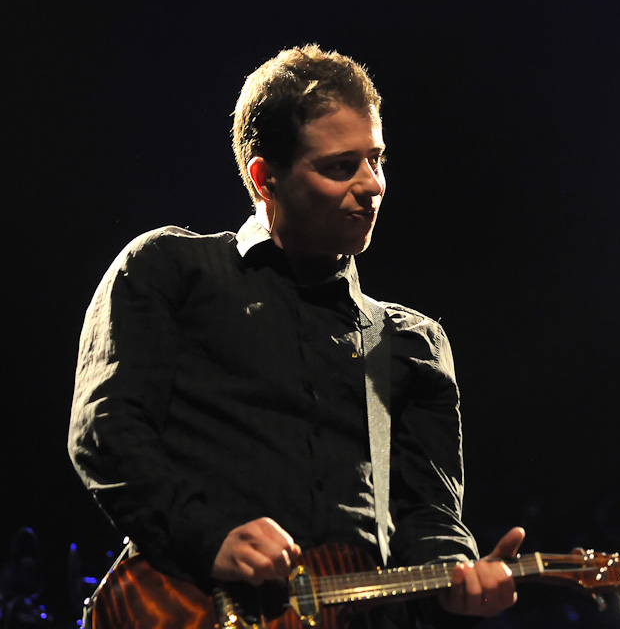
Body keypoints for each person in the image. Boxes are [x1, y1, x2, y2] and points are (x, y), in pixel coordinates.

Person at [69, 44, 522, 628]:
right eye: (340, 166)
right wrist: (208, 536)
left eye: (376, 159)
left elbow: (427, 514)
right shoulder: (169, 271)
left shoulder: (413, 342)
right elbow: (106, 432)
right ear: (265, 178)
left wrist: (456, 576)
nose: (372, 185)